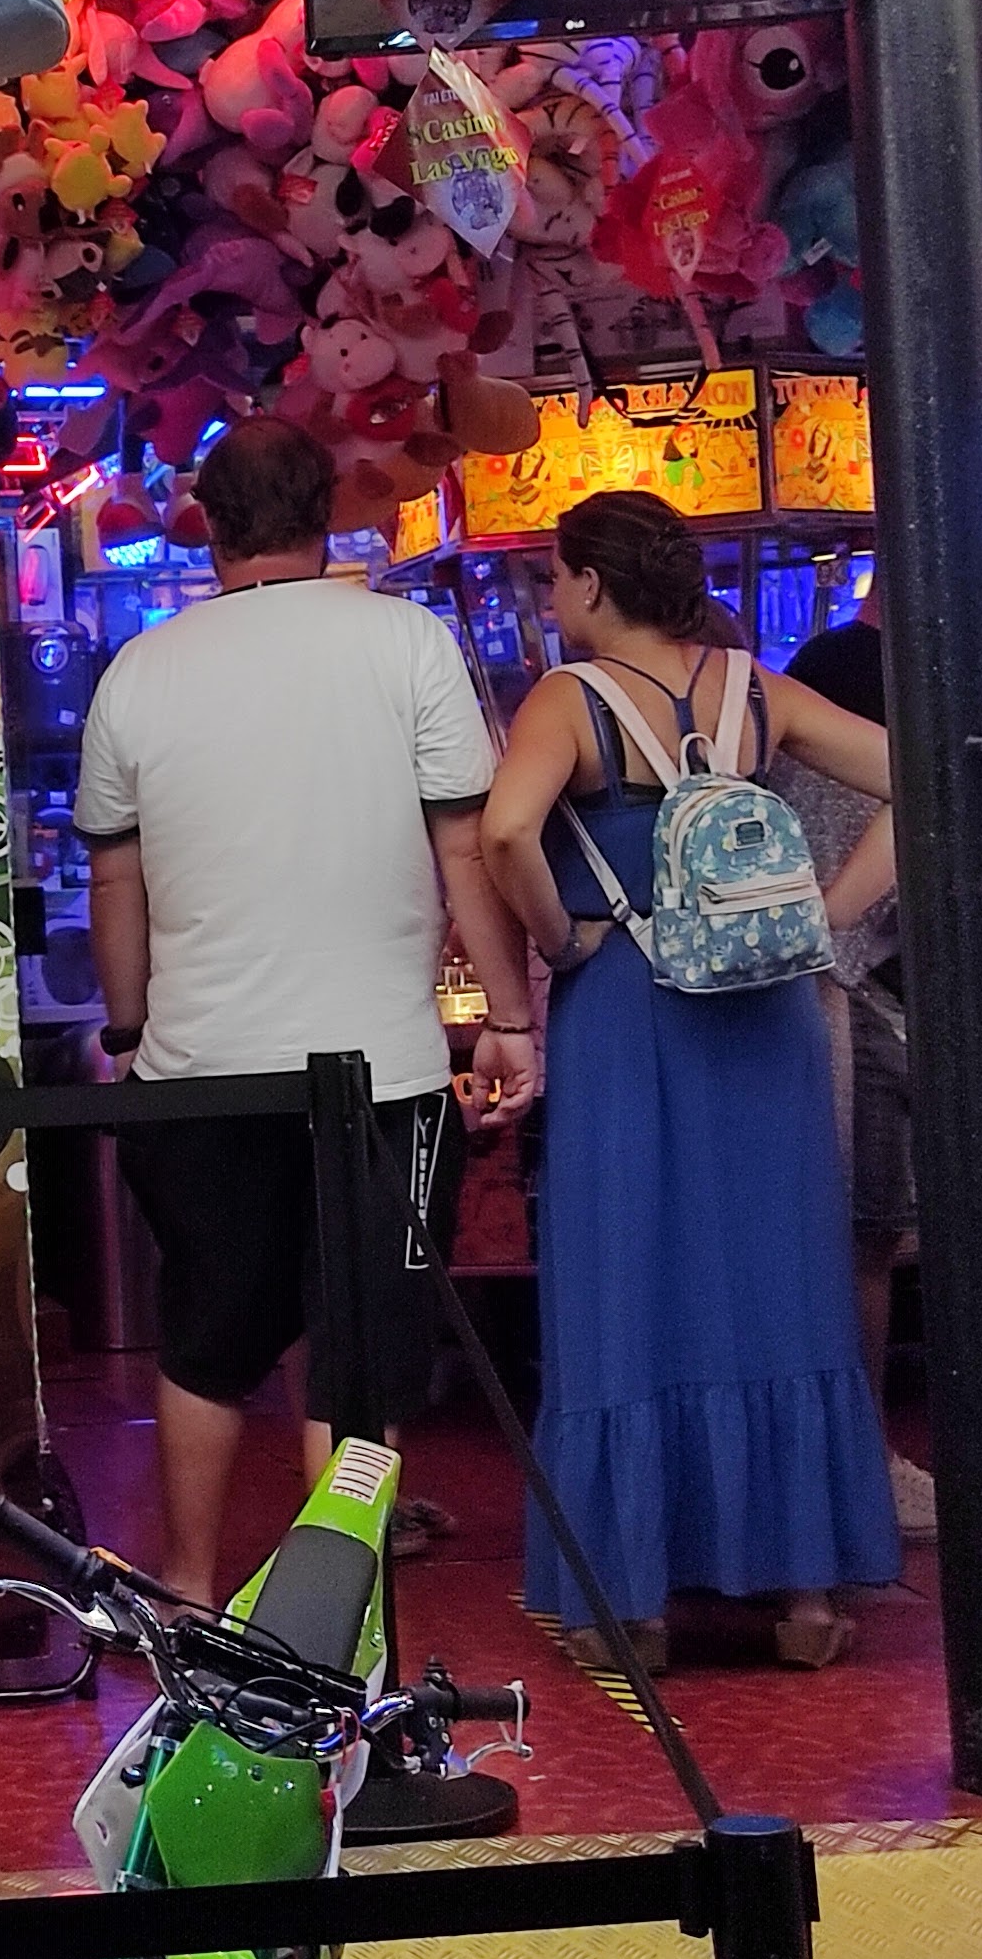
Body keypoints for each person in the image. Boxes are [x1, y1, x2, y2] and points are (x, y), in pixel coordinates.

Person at [77, 416, 539, 1605]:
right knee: (358, 1355)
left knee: (204, 1339)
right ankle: (340, 1609)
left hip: (199, 1070)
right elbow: (464, 846)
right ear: (329, 514)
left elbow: (115, 880)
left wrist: (127, 1033)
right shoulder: (407, 641)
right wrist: (510, 1013)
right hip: (384, 1076)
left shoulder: (140, 669)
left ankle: (187, 1584)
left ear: (207, 524)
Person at [480, 489, 898, 1672]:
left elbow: (507, 829)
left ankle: (635, 1606)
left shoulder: (567, 698)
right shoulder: (756, 689)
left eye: (556, 577)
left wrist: (560, 937)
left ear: (591, 585)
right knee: (778, 1270)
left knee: (625, 1276)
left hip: (629, 1002)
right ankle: (805, 1595)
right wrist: (826, 911)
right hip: (764, 1006)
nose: (553, 597)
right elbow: (927, 776)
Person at [773, 570, 934, 1544]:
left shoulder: (835, 666)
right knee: (862, 1232)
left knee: (867, 1232)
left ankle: (859, 1460)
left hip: (856, 972)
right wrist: (833, 923)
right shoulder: (852, 667)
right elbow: (907, 810)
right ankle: (862, 1463)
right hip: (856, 979)